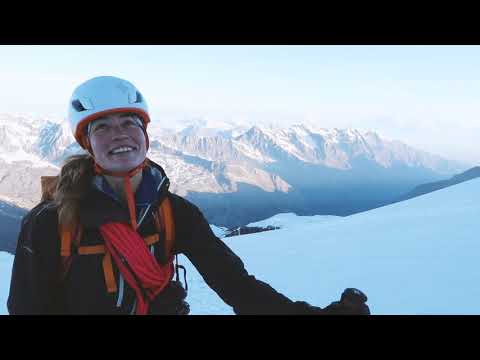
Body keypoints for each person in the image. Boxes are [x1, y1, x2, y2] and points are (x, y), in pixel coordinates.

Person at [7, 76, 370, 315]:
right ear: (87, 143)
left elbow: (236, 286)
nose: (119, 135)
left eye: (129, 123)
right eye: (102, 127)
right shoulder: (50, 222)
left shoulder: (172, 212)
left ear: (145, 134)